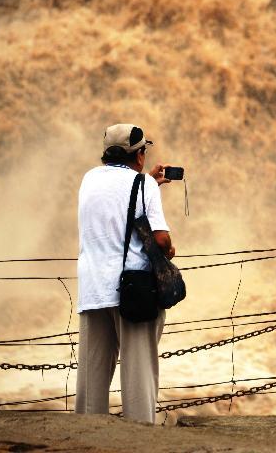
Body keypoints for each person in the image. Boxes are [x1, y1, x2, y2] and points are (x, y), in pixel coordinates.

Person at [75, 123, 176, 423]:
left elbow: (114, 205)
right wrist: (169, 250)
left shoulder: (88, 179)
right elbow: (161, 239)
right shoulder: (142, 185)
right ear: (140, 155)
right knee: (138, 375)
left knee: (92, 382)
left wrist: (148, 185)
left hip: (92, 289)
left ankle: (86, 441)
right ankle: (140, 438)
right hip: (133, 292)